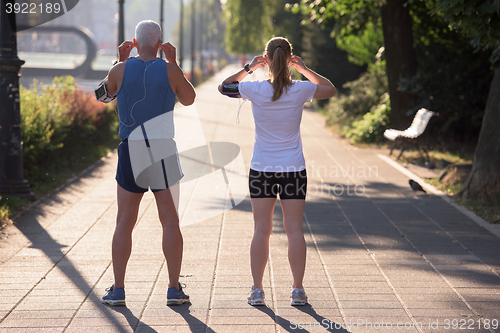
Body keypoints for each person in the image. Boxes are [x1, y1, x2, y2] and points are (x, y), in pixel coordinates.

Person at [218, 37, 336, 306]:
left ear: (267, 59)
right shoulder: (300, 89)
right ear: (290, 59)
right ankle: (297, 291)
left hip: (262, 169)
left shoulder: (256, 88)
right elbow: (330, 89)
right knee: (294, 229)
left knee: (261, 229)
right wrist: (304, 69)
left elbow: (224, 87)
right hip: (293, 169)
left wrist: (249, 68)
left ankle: (257, 291)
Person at [97, 20, 195, 306]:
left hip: (132, 149)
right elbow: (188, 99)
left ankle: (118, 290)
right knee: (170, 221)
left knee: (124, 221)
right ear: (161, 44)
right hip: (162, 149)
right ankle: (174, 289)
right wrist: (175, 63)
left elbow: (102, 96)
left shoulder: (120, 69)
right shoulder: (170, 69)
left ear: (136, 43)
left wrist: (120, 61)